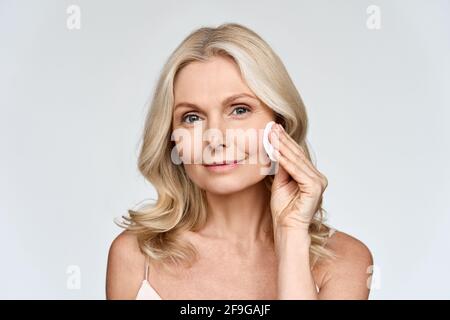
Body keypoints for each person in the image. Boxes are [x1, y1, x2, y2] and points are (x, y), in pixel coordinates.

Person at [106, 23, 373, 300]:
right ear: (172, 137)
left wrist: (291, 235)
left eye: (239, 110)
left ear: (278, 122)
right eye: (192, 117)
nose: (215, 138)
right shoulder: (136, 256)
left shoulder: (345, 262)